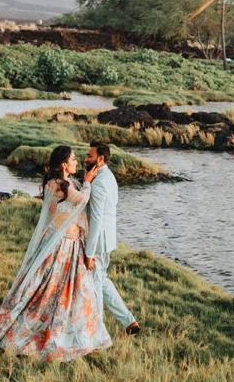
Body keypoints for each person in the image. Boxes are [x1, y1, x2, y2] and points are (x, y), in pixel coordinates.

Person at [0, 145, 112, 361]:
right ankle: (36, 332)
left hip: (73, 246)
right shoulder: (57, 184)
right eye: (74, 159)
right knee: (48, 291)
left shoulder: (68, 183)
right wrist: (88, 181)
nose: (78, 162)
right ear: (64, 164)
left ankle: (80, 334)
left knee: (78, 293)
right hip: (61, 247)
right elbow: (82, 199)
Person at [84, 142, 139, 335]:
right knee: (102, 280)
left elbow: (97, 218)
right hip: (107, 239)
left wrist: (89, 251)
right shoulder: (108, 176)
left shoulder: (99, 183)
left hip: (98, 242)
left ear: (100, 158)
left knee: (96, 285)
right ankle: (130, 322)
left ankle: (97, 333)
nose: (85, 159)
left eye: (89, 156)